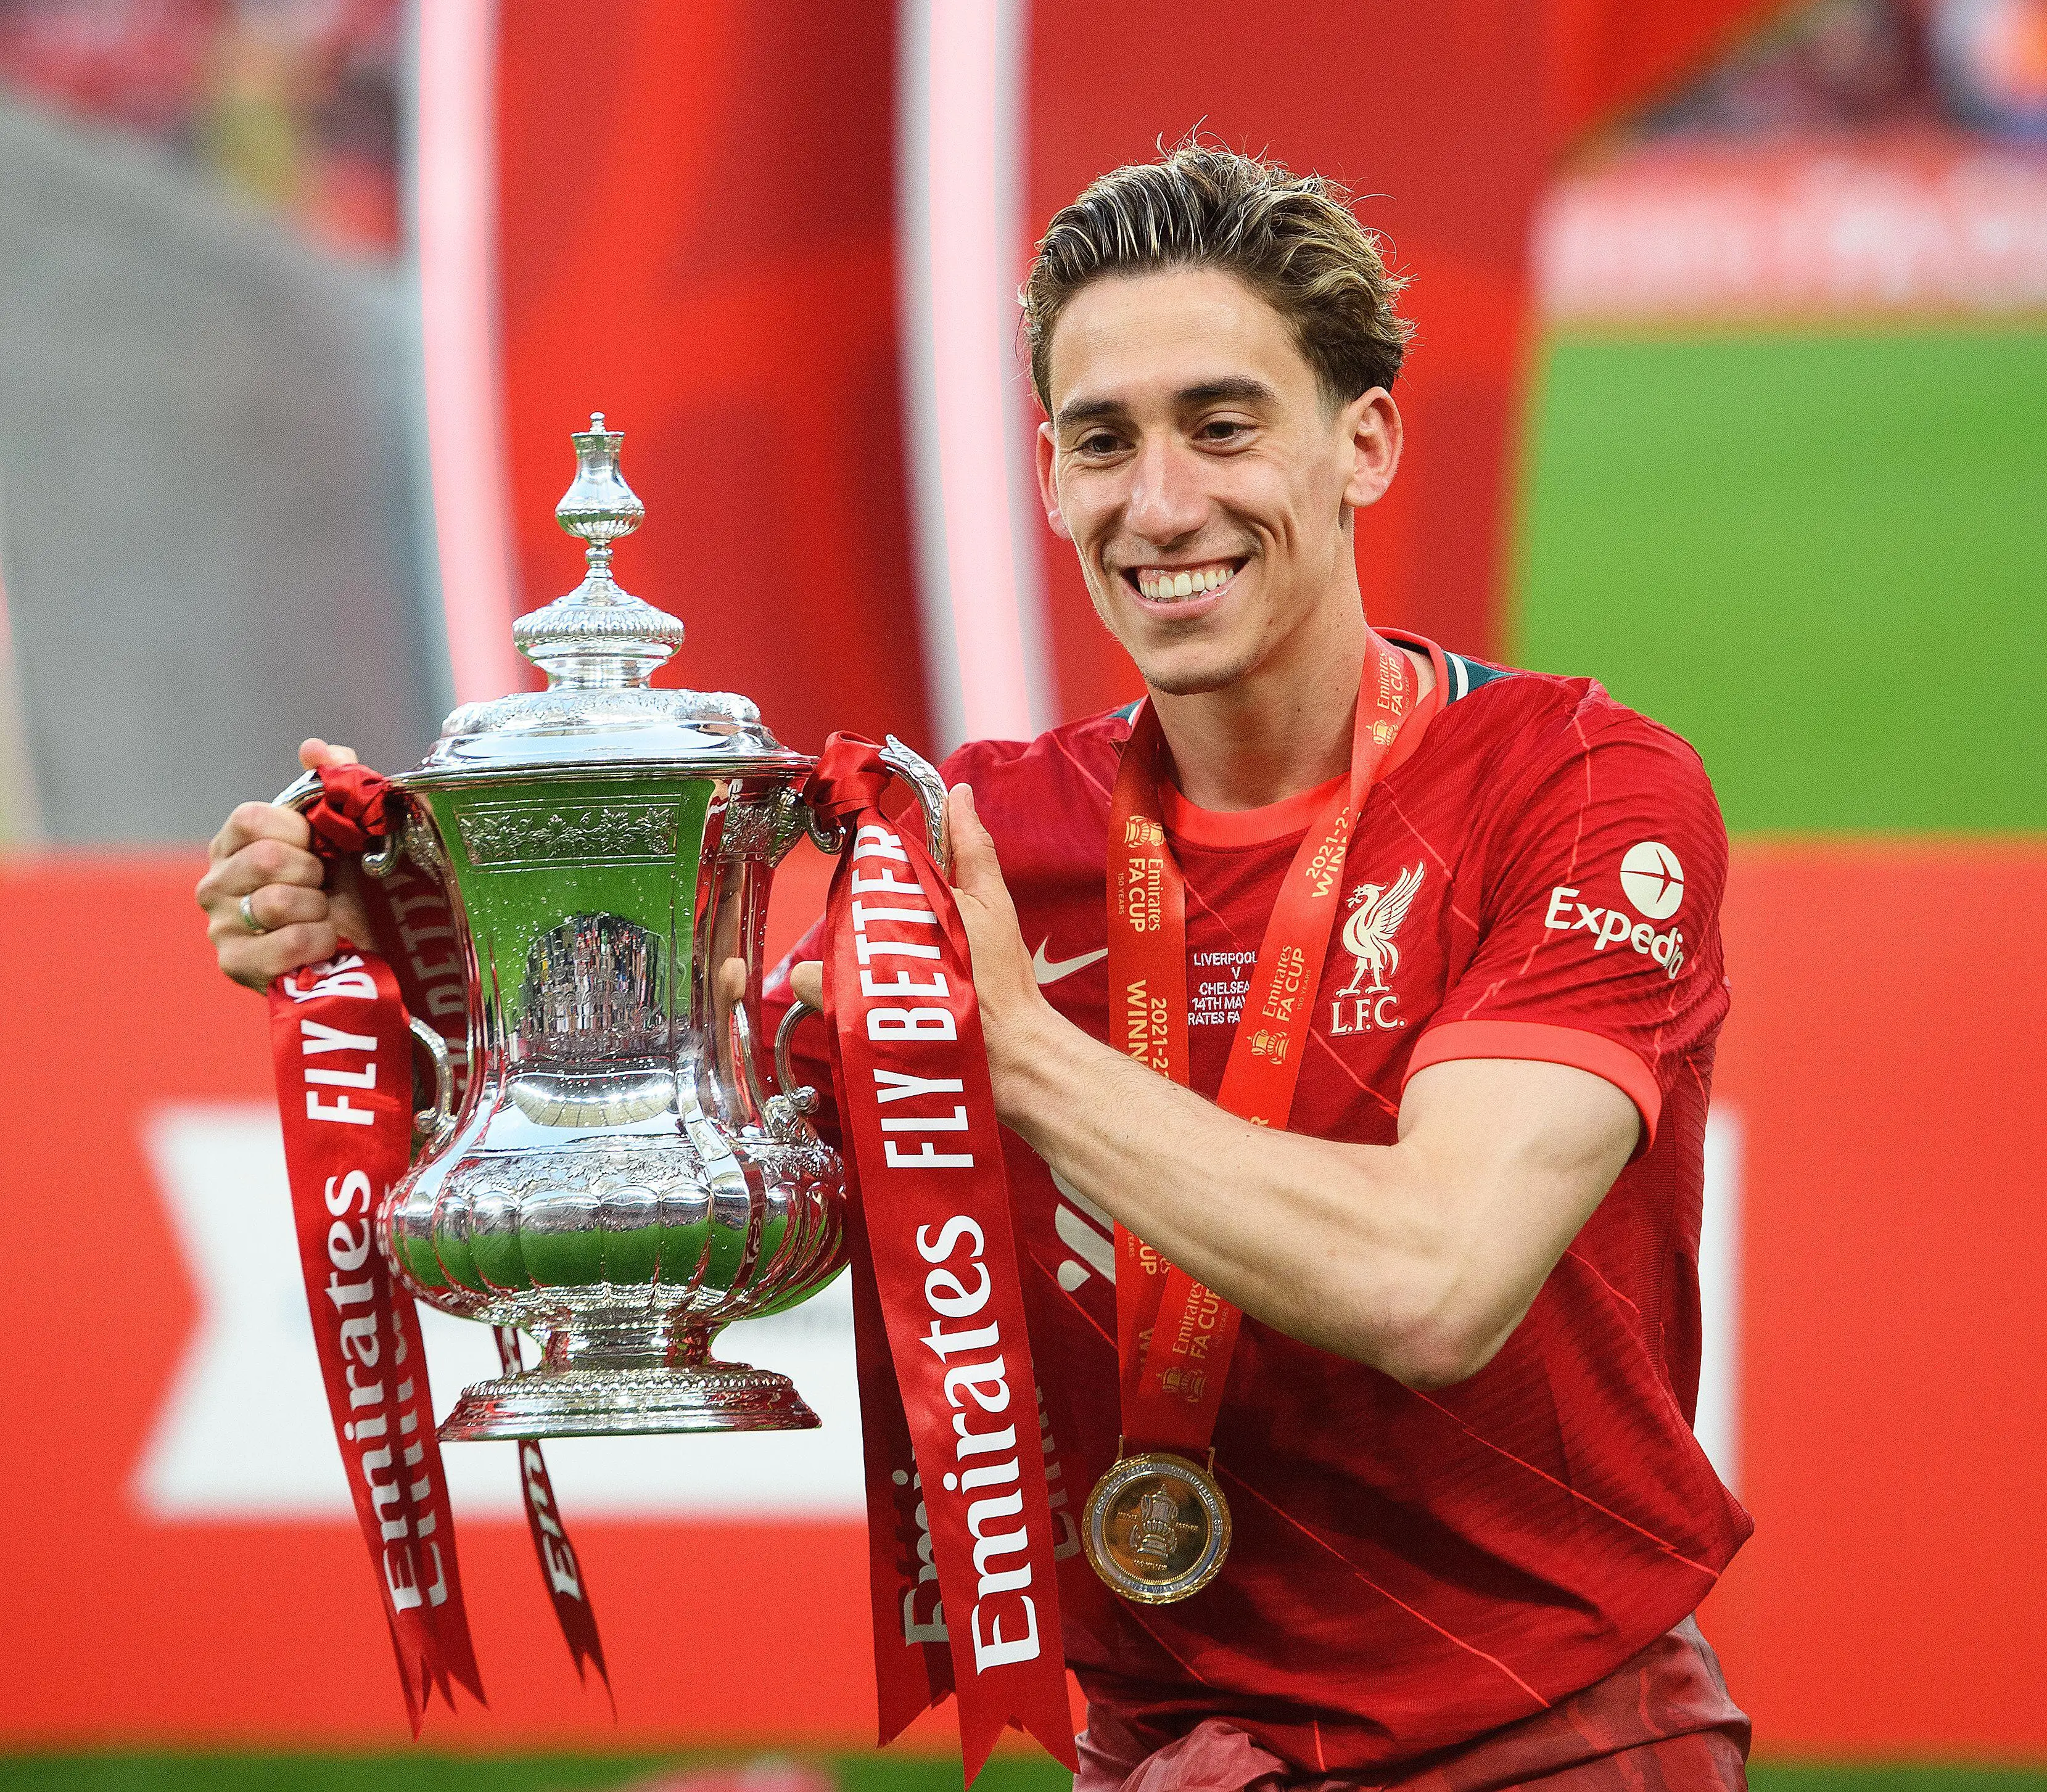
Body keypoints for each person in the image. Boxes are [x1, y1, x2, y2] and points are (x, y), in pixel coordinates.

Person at [199, 145, 1752, 1790]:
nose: (1159, 504)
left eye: (1221, 425)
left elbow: (1433, 1282)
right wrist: (441, 964)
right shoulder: (985, 833)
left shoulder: (1574, 788)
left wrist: (1013, 1049)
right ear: (1051, 473)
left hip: (1541, 1751)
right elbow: (720, 1158)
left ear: (1362, 440)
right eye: (1102, 442)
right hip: (1157, 1754)